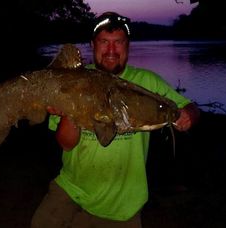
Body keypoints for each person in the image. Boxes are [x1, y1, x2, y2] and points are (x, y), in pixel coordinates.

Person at [31, 11, 200, 227]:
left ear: (128, 45)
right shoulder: (74, 80)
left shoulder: (147, 82)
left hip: (123, 203)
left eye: (118, 42)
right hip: (71, 190)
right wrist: (71, 109)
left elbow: (190, 108)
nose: (111, 50)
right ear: (93, 45)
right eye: (104, 42)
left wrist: (188, 116)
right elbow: (66, 143)